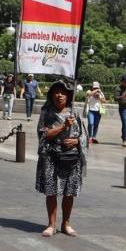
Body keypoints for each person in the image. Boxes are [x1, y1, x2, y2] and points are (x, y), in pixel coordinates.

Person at [36, 80, 85, 237]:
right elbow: (43, 135)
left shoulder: (75, 112)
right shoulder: (46, 113)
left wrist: (77, 141)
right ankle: (51, 224)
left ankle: (66, 223)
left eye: (63, 92)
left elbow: (85, 135)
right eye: (56, 92)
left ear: (68, 95)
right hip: (51, 156)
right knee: (51, 191)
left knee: (69, 192)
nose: (59, 95)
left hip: (71, 157)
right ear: (51, 95)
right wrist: (63, 126)